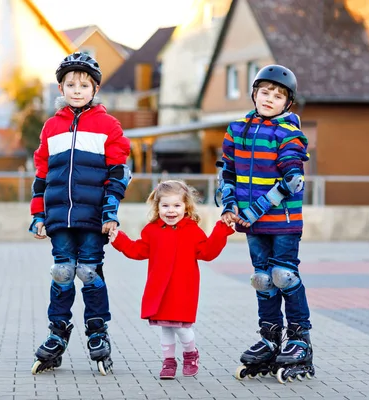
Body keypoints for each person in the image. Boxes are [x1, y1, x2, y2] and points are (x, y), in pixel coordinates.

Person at [28, 52, 131, 376]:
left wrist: (111, 209)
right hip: (59, 217)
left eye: (83, 85)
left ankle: (98, 332)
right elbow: (41, 175)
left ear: (95, 89)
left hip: (92, 217)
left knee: (88, 272)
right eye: (70, 84)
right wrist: (38, 214)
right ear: (61, 87)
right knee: (61, 272)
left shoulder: (107, 125)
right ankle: (57, 333)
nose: (76, 90)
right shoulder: (51, 127)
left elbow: (119, 171)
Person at [217, 64, 315, 382]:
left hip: (283, 221)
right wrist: (229, 205)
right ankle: (270, 339)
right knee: (263, 279)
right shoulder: (237, 129)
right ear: (254, 94)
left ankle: (300, 341)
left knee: (284, 275)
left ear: (287, 102)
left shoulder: (290, 132)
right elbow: (227, 171)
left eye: (278, 94)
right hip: (251, 223)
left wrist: (256, 208)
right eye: (265, 92)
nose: (270, 98)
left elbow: (293, 180)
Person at [108, 180, 234, 379]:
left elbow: (207, 252)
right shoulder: (152, 231)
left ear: (186, 207)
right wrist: (119, 239)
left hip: (183, 288)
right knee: (165, 327)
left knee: (182, 328)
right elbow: (137, 250)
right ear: (157, 207)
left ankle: (190, 354)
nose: (171, 211)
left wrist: (221, 229)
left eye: (177, 205)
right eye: (165, 205)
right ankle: (168, 361)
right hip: (160, 289)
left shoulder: (192, 230)